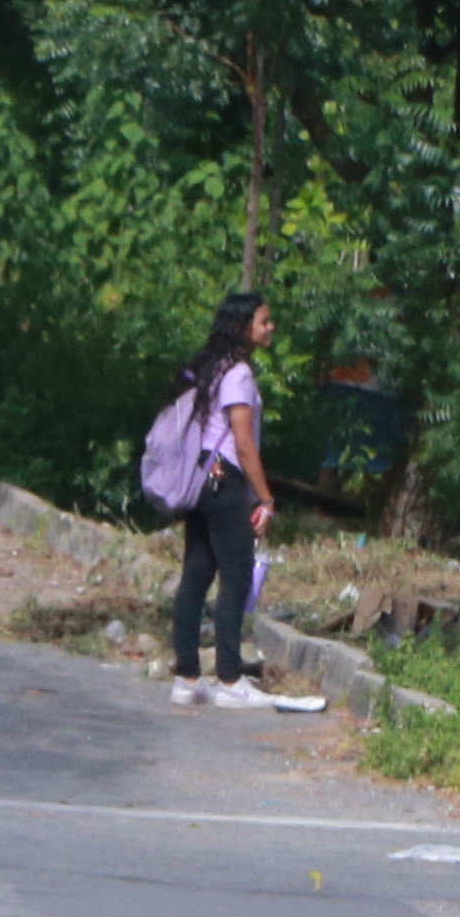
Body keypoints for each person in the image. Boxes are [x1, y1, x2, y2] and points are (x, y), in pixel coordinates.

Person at [164, 291, 276, 710]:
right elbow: (243, 444)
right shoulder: (240, 374)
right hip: (224, 479)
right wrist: (265, 499)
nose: (270, 328)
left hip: (199, 477)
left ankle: (187, 677)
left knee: (195, 575)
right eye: (263, 321)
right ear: (241, 326)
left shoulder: (211, 368)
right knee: (237, 576)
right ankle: (230, 680)